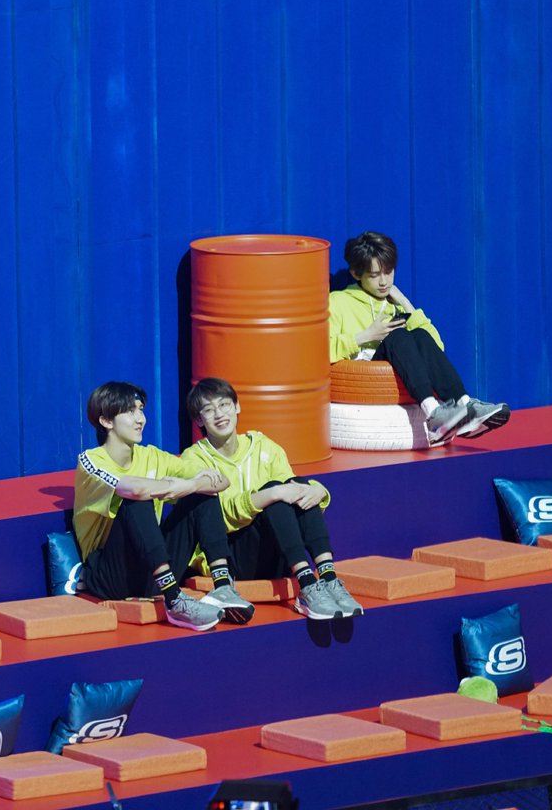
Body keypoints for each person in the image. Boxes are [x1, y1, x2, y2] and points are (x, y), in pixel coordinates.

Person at [73, 381, 255, 631]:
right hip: (111, 576)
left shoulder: (152, 456)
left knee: (202, 494)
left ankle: (223, 587)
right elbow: (134, 489)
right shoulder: (90, 460)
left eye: (141, 410)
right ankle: (174, 600)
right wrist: (174, 487)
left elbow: (221, 481)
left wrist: (190, 485)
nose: (141, 419)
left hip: (152, 571)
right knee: (136, 502)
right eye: (130, 412)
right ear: (106, 421)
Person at [182, 377, 363, 621]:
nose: (219, 414)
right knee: (274, 491)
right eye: (209, 409)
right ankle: (306, 583)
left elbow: (292, 492)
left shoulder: (263, 446)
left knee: (298, 485)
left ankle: (328, 578)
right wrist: (269, 494)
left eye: (224, 405)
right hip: (230, 558)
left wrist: (319, 491)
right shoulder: (193, 460)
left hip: (276, 552)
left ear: (237, 406)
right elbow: (217, 517)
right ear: (198, 420)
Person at [329, 231, 510, 445]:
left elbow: (436, 347)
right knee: (398, 335)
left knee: (420, 335)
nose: (384, 282)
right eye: (375, 275)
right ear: (356, 273)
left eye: (389, 272)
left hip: (396, 367)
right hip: (362, 375)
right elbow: (321, 351)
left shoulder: (395, 305)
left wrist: (405, 302)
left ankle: (465, 404)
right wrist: (367, 335)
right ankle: (434, 414)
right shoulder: (338, 301)